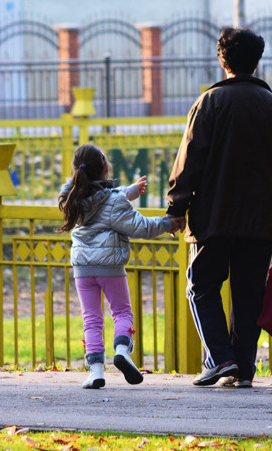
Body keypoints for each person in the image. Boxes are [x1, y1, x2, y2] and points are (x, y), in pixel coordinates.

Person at [166, 27, 272, 388]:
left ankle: (219, 359)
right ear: (256, 62)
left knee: (201, 285)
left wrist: (176, 207)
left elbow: (190, 160)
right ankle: (243, 368)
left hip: (215, 217)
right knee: (249, 293)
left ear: (222, 61)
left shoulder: (209, 103)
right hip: (262, 220)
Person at [59, 143, 177, 389]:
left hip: (83, 269)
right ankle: (122, 350)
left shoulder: (72, 198)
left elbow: (104, 197)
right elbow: (141, 226)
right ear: (105, 168)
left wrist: (129, 192)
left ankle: (96, 372)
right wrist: (169, 223)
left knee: (91, 319)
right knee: (122, 313)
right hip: (110, 267)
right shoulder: (114, 202)